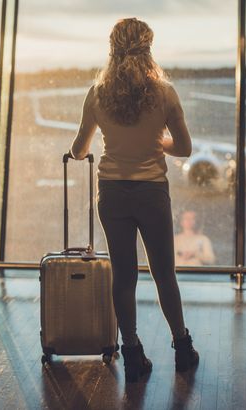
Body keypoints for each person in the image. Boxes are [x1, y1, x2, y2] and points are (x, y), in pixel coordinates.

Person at [69, 17, 198, 383]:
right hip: (151, 193)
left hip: (111, 192)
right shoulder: (164, 92)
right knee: (163, 274)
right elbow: (185, 148)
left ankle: (133, 353)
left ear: (112, 48)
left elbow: (80, 149)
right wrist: (158, 142)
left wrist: (84, 148)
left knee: (123, 276)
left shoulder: (97, 93)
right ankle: (183, 348)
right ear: (147, 47)